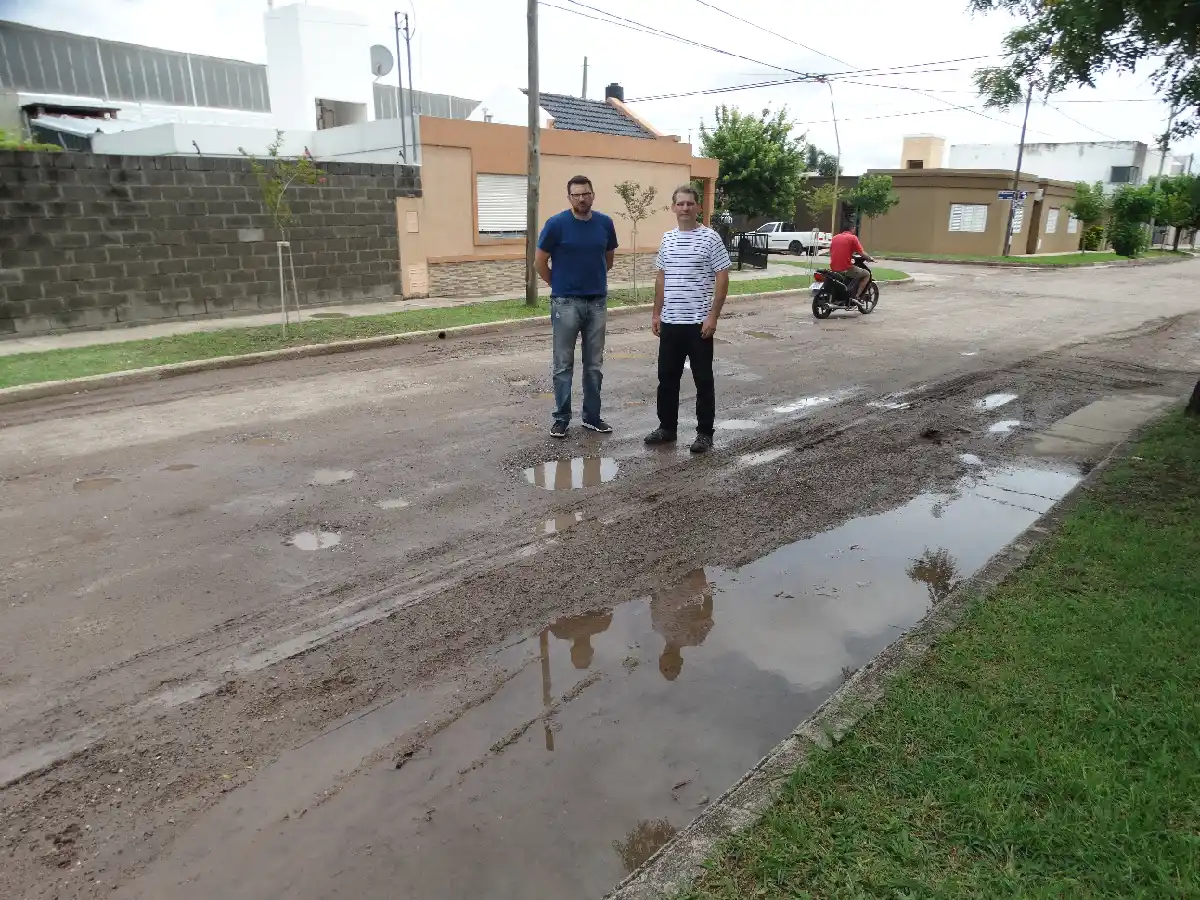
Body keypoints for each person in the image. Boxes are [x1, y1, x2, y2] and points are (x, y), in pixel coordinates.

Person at [643, 185, 731, 455]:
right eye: (680, 204)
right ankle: (667, 428)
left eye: (689, 204)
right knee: (667, 379)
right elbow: (662, 277)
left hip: (698, 324)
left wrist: (713, 316)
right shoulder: (668, 239)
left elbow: (722, 277)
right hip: (671, 322)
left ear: (698, 208)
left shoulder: (710, 238)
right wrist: (657, 313)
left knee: (703, 380)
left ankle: (705, 433)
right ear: (673, 207)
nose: (685, 208)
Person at [535, 175, 619, 439]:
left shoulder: (605, 223)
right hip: (565, 303)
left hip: (597, 303)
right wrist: (559, 286)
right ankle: (561, 419)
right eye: (576, 195)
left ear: (593, 194)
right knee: (563, 364)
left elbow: (609, 260)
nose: (581, 198)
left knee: (594, 365)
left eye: (586, 193)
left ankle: (592, 417)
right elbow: (540, 262)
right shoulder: (556, 224)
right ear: (569, 197)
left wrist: (591, 283)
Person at [829, 226, 874, 300]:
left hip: (833, 267)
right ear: (852, 228)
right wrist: (870, 258)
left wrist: (850, 256)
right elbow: (861, 252)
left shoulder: (835, 238)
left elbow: (834, 251)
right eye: (854, 228)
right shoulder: (853, 238)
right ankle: (857, 296)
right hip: (845, 268)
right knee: (866, 274)